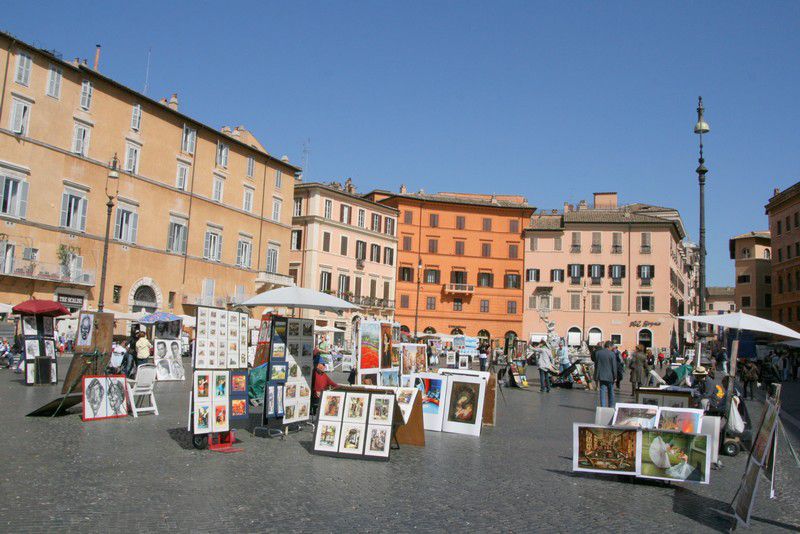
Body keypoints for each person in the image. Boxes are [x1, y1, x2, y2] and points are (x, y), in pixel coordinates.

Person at [594, 341, 618, 407]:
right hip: (610, 376)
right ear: (609, 346)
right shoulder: (612, 354)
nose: (612, 348)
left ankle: (603, 406)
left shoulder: (598, 353)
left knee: (602, 391)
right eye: (612, 347)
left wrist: (596, 375)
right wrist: (615, 376)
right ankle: (611, 406)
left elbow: (596, 365)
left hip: (601, 375)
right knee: (611, 392)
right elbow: (614, 366)